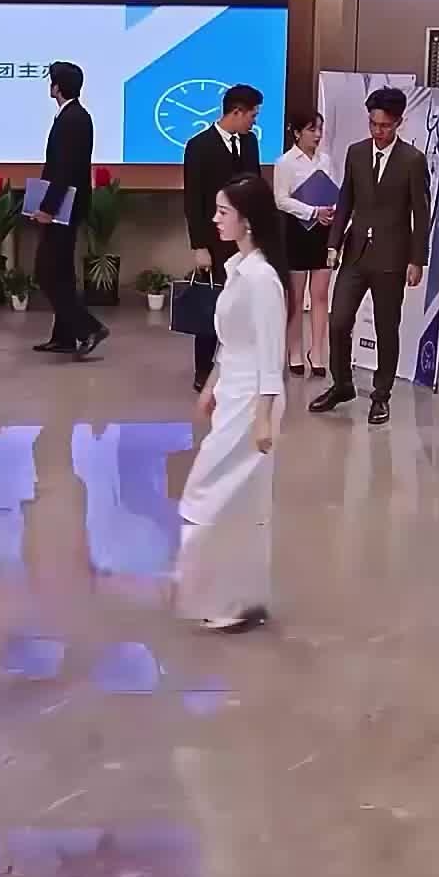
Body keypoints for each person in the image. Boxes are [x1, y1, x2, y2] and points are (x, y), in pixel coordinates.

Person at [173, 173, 288, 633]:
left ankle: (234, 598)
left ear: (248, 221)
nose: (215, 219)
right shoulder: (237, 270)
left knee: (218, 494)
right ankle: (234, 595)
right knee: (228, 497)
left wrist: (263, 418)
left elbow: (270, 354)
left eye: (223, 212)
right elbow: (231, 341)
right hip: (233, 394)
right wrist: (211, 386)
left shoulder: (262, 279)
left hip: (252, 401)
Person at [310, 86, 430, 428]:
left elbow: (421, 214)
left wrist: (417, 260)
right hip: (355, 253)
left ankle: (381, 395)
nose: (378, 131)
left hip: (392, 257)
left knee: (386, 328)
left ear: (399, 123)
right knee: (338, 321)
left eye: (385, 126)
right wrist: (333, 244)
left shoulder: (412, 160)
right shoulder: (356, 153)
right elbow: (346, 200)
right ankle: (342, 385)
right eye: (373, 124)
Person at [182, 83, 263, 392]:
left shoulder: (250, 143)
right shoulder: (199, 145)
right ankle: (203, 369)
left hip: (245, 241)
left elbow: (255, 186)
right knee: (212, 304)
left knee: (243, 305)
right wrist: (199, 246)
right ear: (237, 112)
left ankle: (237, 367)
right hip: (214, 240)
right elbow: (193, 200)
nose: (254, 121)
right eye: (252, 115)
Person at [31, 61, 108, 359]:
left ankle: (88, 328)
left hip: (63, 209)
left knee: (47, 272)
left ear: (57, 87)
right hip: (66, 206)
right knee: (61, 274)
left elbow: (64, 170)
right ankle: (63, 337)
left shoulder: (72, 119)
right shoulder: (74, 116)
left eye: (51, 81)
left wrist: (48, 208)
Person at [273, 107, 336, 377]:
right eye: (312, 129)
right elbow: (280, 199)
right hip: (297, 232)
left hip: (323, 231)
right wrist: (311, 212)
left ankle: (318, 352)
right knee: (296, 298)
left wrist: (331, 211)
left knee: (320, 295)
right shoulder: (285, 162)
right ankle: (295, 350)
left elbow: (334, 190)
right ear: (297, 133)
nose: (317, 135)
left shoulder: (326, 160)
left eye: (319, 129)